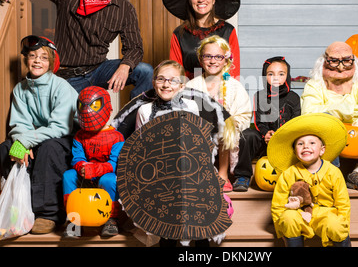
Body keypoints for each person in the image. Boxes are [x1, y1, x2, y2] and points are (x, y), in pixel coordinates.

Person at [0, 0, 153, 99]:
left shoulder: (124, 8)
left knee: (145, 71)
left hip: (100, 69)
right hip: (68, 75)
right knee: (76, 120)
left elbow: (135, 47)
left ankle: (135, 118)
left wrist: (125, 67)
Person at [133, 60, 234, 247]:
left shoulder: (191, 107)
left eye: (172, 80)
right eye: (161, 79)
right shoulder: (144, 110)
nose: (166, 84)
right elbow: (141, 147)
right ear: (154, 82)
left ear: (182, 85)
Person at [0, 35, 78, 234]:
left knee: (48, 148)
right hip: (34, 137)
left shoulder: (61, 87)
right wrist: (20, 142)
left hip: (64, 140)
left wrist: (25, 141)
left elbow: (60, 126)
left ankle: (47, 214)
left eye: (43, 57)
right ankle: (12, 205)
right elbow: (19, 123)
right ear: (26, 59)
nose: (37, 61)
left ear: (51, 62)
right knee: (5, 148)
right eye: (32, 56)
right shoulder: (20, 89)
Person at [301, 41, 358, 193]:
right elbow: (310, 113)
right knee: (322, 119)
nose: (340, 66)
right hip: (329, 141)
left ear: (354, 63)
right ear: (323, 62)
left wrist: (356, 124)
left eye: (346, 61)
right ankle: (333, 172)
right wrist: (345, 116)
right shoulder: (314, 86)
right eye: (334, 61)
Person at [269, 113, 351, 247]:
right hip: (299, 214)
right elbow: (278, 206)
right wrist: (282, 231)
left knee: (335, 224)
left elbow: (343, 204)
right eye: (300, 144)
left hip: (326, 214)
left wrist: (342, 226)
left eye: (312, 143)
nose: (306, 146)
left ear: (322, 150)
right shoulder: (288, 174)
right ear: (295, 152)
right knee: (288, 217)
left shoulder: (333, 172)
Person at [186, 35, 251, 192]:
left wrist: (232, 123)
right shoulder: (192, 85)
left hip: (224, 133)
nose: (213, 61)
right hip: (200, 129)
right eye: (208, 56)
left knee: (224, 126)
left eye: (218, 57)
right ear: (201, 59)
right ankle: (201, 174)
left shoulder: (234, 86)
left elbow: (244, 113)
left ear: (226, 60)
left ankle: (223, 174)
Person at [162, 0, 241, 80]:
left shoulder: (228, 31)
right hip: (189, 91)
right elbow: (175, 71)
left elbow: (233, 70)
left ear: (213, 0)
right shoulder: (179, 34)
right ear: (189, 0)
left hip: (220, 90)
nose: (201, 0)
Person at [63, 86, 124, 237]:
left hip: (104, 175)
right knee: (68, 176)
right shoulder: (80, 135)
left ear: (107, 107)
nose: (88, 110)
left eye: (95, 105)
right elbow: (77, 158)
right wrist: (83, 167)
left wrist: (96, 170)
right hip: (84, 174)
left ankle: (111, 219)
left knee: (111, 180)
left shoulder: (117, 137)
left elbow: (114, 164)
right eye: (83, 106)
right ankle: (74, 220)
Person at [234, 57, 301, 192]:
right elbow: (259, 121)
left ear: (287, 76)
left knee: (301, 138)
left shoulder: (293, 97)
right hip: (265, 141)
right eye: (271, 74)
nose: (276, 77)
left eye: (281, 74)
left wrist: (282, 137)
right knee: (247, 135)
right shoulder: (260, 96)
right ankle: (243, 176)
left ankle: (297, 177)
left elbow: (296, 122)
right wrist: (266, 134)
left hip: (286, 143)